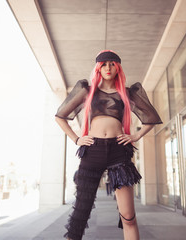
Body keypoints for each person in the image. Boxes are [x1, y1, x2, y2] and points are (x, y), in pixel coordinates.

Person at [55, 50, 162, 240]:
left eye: (112, 64)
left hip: (119, 152)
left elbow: (151, 118)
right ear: (98, 68)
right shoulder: (87, 91)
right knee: (80, 214)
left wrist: (136, 136)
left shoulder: (127, 93)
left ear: (118, 67)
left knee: (128, 217)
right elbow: (60, 116)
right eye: (104, 64)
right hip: (92, 151)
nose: (108, 68)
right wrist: (77, 139)